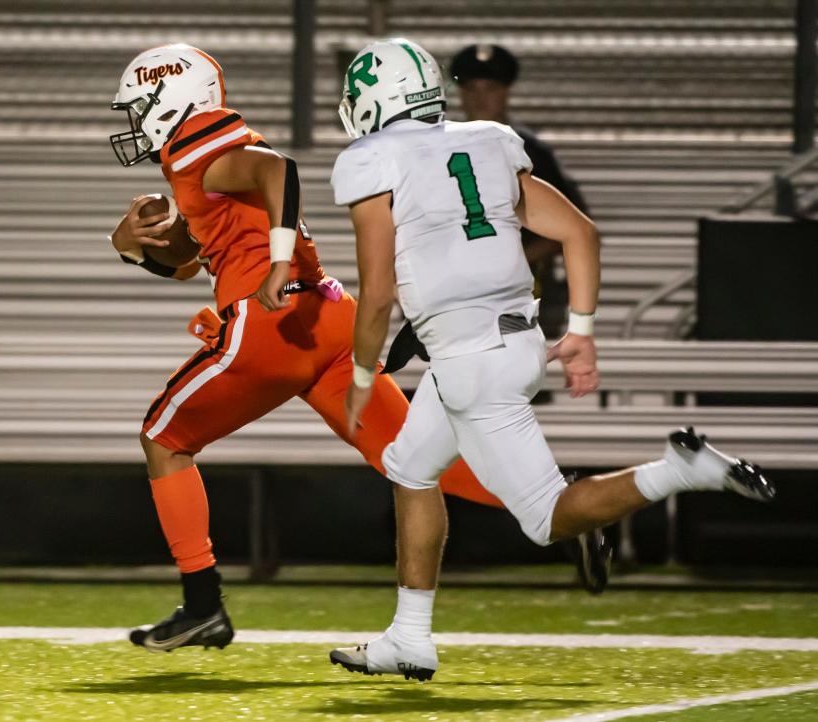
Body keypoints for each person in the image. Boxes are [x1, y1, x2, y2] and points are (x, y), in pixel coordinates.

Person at [327, 38, 775, 681]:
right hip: (518, 340)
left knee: (545, 518)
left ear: (374, 98)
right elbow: (579, 234)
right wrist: (584, 331)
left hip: (470, 361)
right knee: (410, 466)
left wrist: (362, 377)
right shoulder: (487, 139)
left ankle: (682, 470)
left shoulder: (371, 159)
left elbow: (375, 295)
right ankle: (409, 639)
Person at [106, 43, 537, 653]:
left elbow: (277, 169)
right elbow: (186, 262)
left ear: (169, 100)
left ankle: (202, 604)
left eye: (139, 105)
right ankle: (561, 506)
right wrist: (128, 245)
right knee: (410, 458)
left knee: (163, 438)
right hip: (330, 316)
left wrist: (277, 261)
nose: (134, 121)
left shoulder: (194, 140)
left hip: (271, 324)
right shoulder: (201, 159)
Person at [450, 43, 588, 339]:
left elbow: (572, 228)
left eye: (490, 87)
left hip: (521, 294)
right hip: (454, 294)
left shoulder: (530, 153)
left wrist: (513, 260)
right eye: (472, 88)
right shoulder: (438, 149)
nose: (480, 97)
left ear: (506, 92)